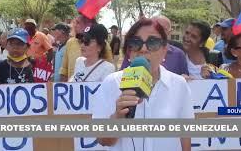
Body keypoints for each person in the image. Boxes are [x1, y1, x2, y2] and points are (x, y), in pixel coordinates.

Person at [96, 18, 193, 151]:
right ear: (129, 51)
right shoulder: (111, 83)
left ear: (165, 50)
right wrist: (118, 117)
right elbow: (103, 140)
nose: (143, 49)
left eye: (152, 42)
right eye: (136, 43)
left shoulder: (179, 85)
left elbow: (185, 136)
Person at [121, 15, 189, 75]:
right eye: (156, 26)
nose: (143, 49)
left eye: (162, 29)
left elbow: (186, 76)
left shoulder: (179, 54)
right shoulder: (133, 50)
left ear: (169, 32)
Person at [59, 14, 113, 81]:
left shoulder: (108, 68)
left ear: (100, 47)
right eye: (82, 41)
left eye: (87, 42)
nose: (82, 45)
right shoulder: (79, 61)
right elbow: (65, 71)